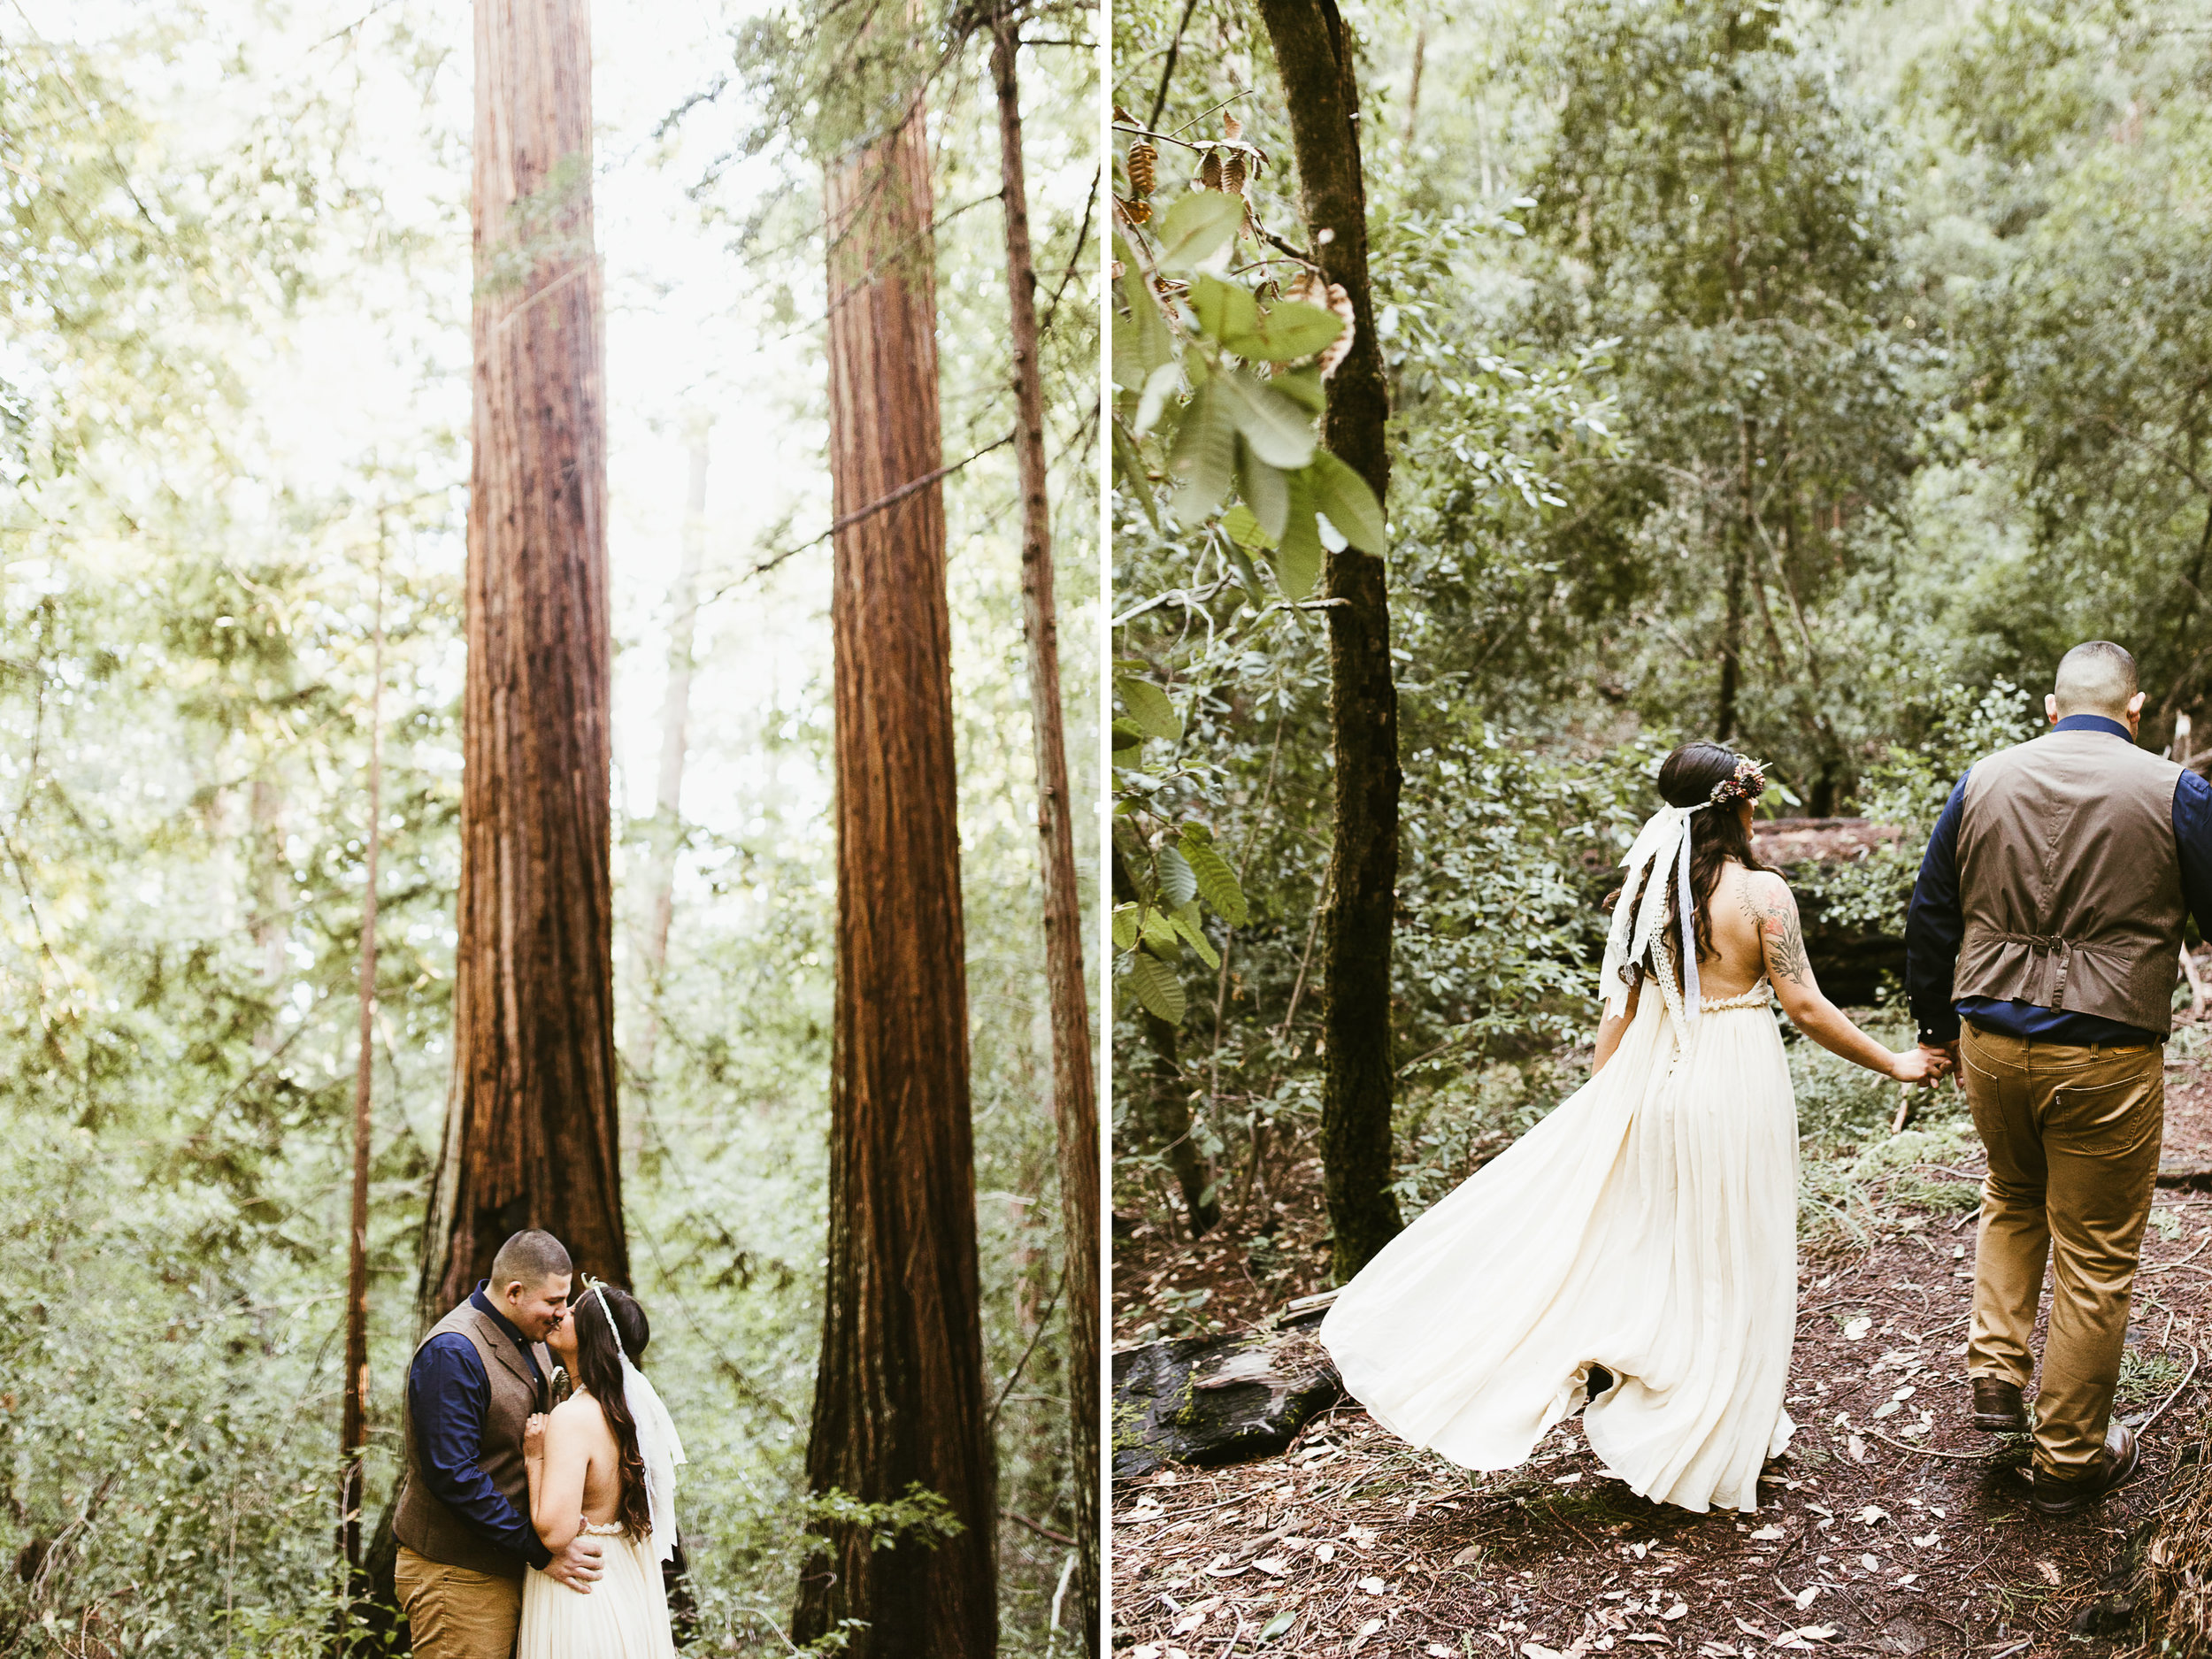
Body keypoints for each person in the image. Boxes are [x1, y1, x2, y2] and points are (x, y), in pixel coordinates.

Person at [1317, 741, 1947, 1514]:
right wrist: (1897, 1062)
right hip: (1736, 1084)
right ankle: (1711, 1433)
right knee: (1737, 1255)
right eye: (1753, 796)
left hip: (1658, 1087)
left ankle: (1684, 1410)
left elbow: (1615, 1011)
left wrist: (1603, 1103)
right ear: (1737, 804)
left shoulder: (1647, 891)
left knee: (1674, 1254)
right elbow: (1807, 1005)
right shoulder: (1763, 895)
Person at [1904, 640, 2212, 1514]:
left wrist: (1937, 1029)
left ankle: (1996, 1373)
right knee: (2096, 1252)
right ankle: (2072, 1456)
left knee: (2011, 1192)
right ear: (2136, 708)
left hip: (1990, 1039)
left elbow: (1930, 914)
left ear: (2049, 707)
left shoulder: (1982, 780)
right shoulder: (2173, 790)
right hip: (2105, 1049)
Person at [394, 1230, 607, 1659]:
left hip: (510, 1568)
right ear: (514, 1292)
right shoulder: (452, 1352)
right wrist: (539, 1552)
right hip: (457, 1576)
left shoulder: (532, 1339)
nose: (562, 1313)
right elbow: (452, 1474)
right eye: (553, 1302)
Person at [518, 1279, 685, 1659]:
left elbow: (556, 1534)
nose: (562, 1313)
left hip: (581, 1592)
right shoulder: (626, 1414)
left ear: (593, 1335)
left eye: (575, 1312)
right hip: (623, 1581)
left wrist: (534, 1460)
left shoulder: (573, 1417)